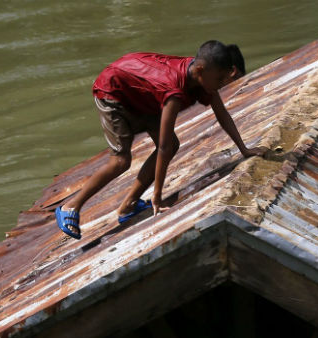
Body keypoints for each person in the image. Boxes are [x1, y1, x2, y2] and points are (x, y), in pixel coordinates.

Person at [55, 41, 266, 238]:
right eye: (220, 79)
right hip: (113, 91)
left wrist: (244, 150)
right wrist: (157, 195)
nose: (222, 84)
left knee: (174, 144)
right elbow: (163, 148)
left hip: (142, 94)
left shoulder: (200, 78)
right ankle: (70, 207)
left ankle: (129, 205)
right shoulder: (174, 91)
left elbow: (222, 115)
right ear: (201, 71)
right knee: (120, 161)